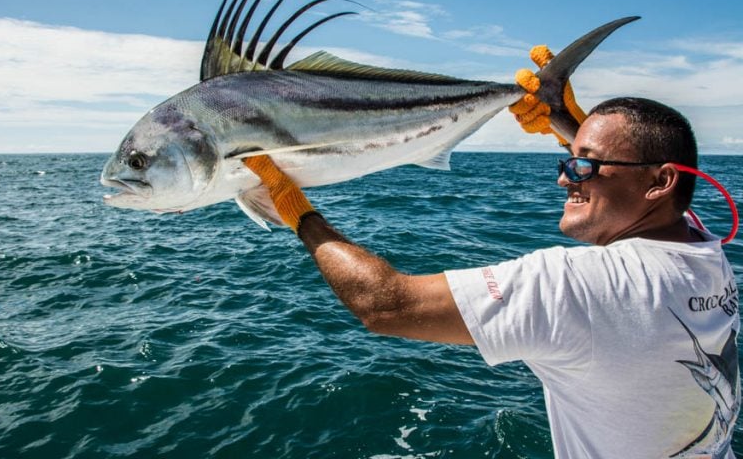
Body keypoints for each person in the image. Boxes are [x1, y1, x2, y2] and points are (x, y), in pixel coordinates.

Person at [243, 46, 740, 458]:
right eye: (571, 160)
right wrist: (567, 122)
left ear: (660, 182)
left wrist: (297, 210)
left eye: (583, 166)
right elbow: (652, 190)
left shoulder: (581, 286)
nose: (563, 175)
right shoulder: (700, 248)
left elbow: (385, 305)